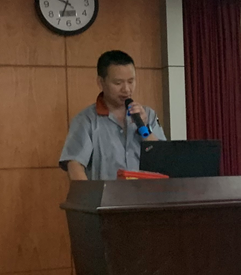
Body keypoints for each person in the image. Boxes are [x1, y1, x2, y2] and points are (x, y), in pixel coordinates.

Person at [60, 50, 166, 180]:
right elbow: (75, 166)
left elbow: (163, 159)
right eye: (118, 83)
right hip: (105, 193)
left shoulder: (148, 114)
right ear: (101, 82)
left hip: (146, 192)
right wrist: (89, 193)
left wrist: (145, 128)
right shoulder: (86, 120)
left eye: (131, 81)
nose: (126, 89)